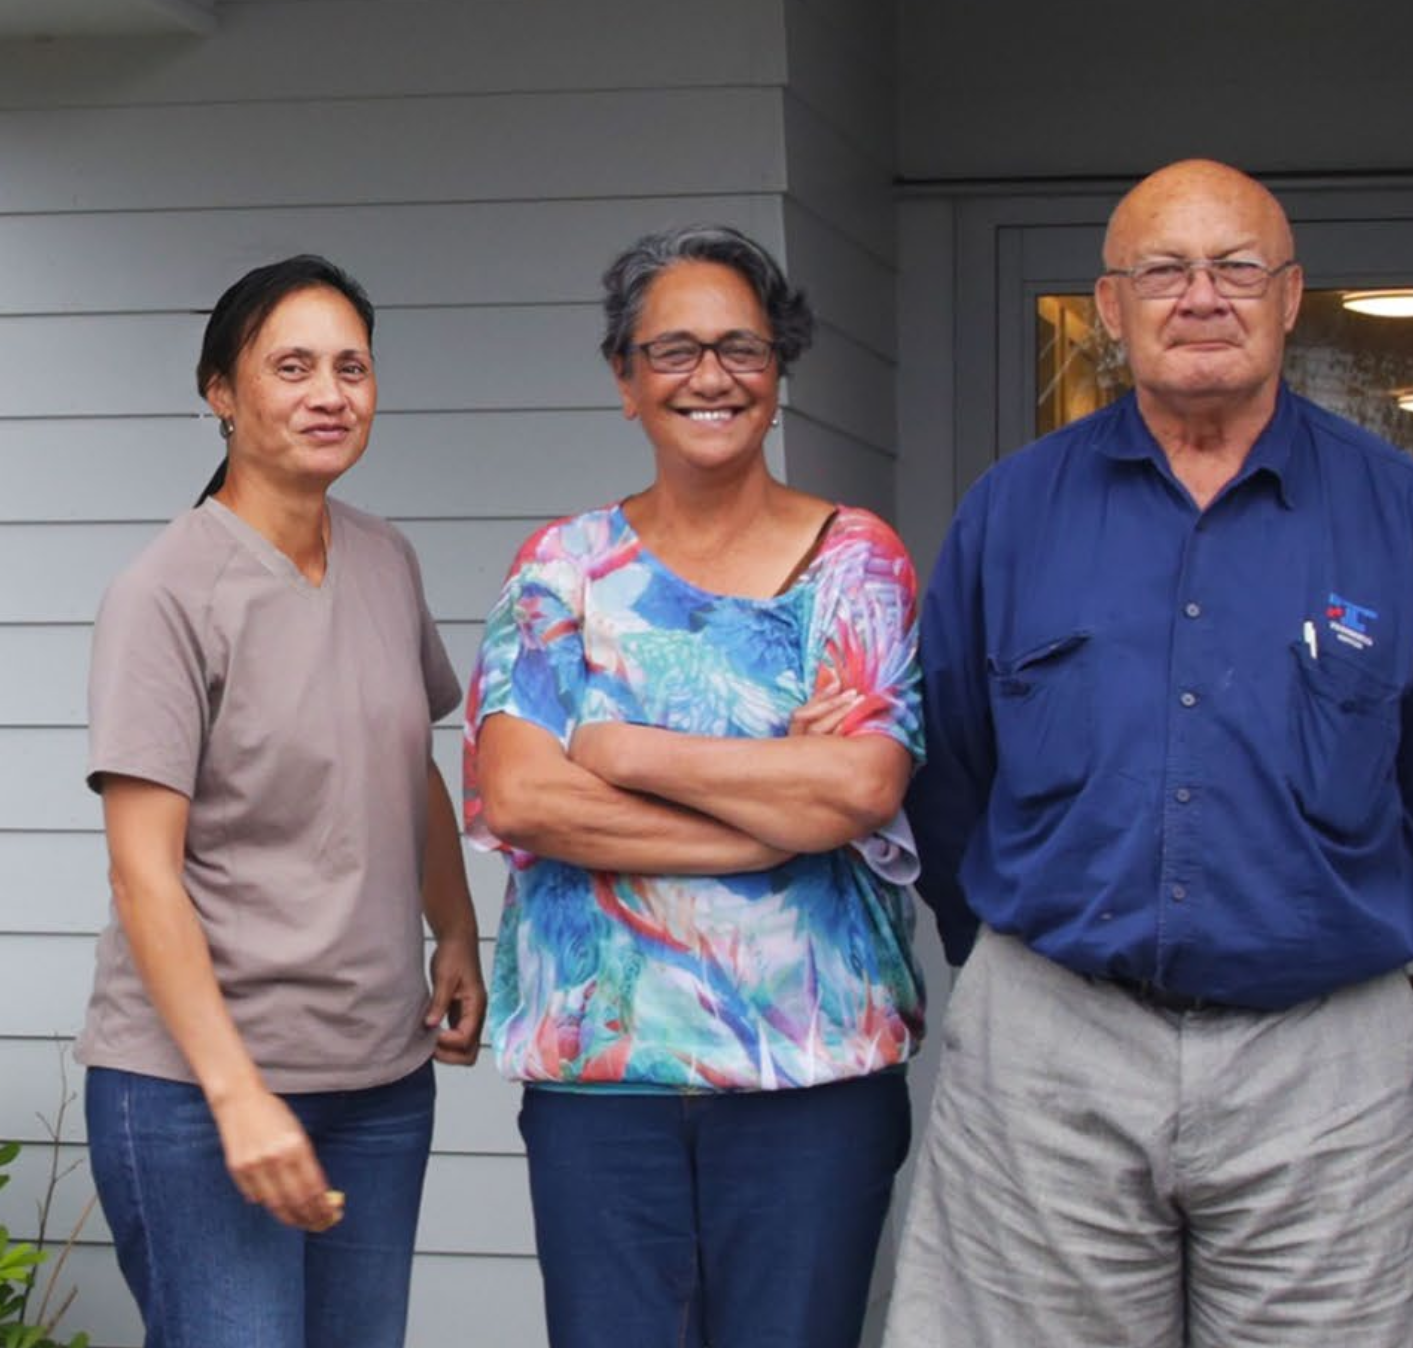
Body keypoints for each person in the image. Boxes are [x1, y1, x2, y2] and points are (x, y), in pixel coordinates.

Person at [886, 158, 1413, 1348]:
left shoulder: (1404, 517)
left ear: (1291, 295)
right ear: (1111, 307)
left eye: (1237, 268)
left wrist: (1322, 923)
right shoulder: (1011, 513)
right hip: (1053, 1050)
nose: (1201, 295)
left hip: (1321, 1059)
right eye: (1163, 269)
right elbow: (949, 766)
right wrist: (1024, 970)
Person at [464, 224, 923, 1348]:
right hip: (600, 1085)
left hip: (813, 1080)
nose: (708, 376)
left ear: (779, 373)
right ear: (624, 380)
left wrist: (620, 747)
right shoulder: (560, 566)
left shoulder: (857, 561)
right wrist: (764, 824)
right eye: (671, 350)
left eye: (741, 348)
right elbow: (520, 796)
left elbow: (859, 787)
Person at [77, 255, 485, 1348]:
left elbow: (411, 764)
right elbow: (143, 872)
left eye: (351, 367)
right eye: (292, 365)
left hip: (380, 1079)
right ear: (221, 391)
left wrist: (455, 926)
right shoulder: (165, 593)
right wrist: (237, 1096)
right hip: (196, 1092)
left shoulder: (387, 559)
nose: (329, 393)